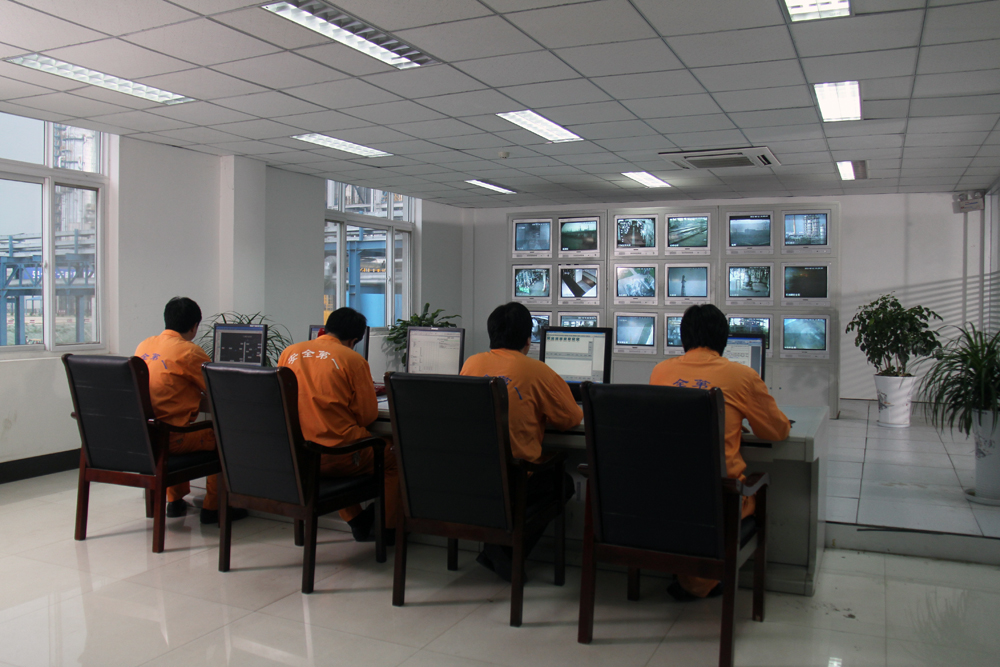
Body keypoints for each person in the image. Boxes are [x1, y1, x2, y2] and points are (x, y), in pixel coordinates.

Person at [650, 304, 790, 601]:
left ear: (683, 338)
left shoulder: (661, 371)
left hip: (666, 500)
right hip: (719, 501)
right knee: (749, 491)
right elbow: (775, 431)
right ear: (723, 340)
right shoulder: (742, 376)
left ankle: (690, 576)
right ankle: (702, 581)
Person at [460, 301, 583, 580]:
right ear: (528, 339)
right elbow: (571, 418)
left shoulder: (471, 363)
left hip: (474, 477)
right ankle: (505, 551)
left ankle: (498, 548)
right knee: (561, 482)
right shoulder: (537, 371)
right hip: (516, 478)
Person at [278, 307, 399, 543]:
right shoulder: (352, 360)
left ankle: (357, 521)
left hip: (300, 456)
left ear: (326, 328)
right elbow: (367, 415)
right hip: (338, 457)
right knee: (395, 456)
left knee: (334, 446)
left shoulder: (290, 353)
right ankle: (387, 529)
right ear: (354, 340)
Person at [135, 297, 246, 525]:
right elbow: (219, 390)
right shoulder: (189, 351)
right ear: (195, 326)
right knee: (222, 439)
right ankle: (213, 508)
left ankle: (174, 502)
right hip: (171, 438)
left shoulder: (144, 345)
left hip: (145, 435)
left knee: (173, 423)